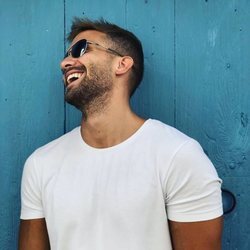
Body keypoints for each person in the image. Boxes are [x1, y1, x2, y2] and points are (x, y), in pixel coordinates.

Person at [19, 18, 223, 250]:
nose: (65, 62)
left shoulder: (177, 156)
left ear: (122, 64)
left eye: (80, 49)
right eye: (67, 55)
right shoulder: (41, 163)